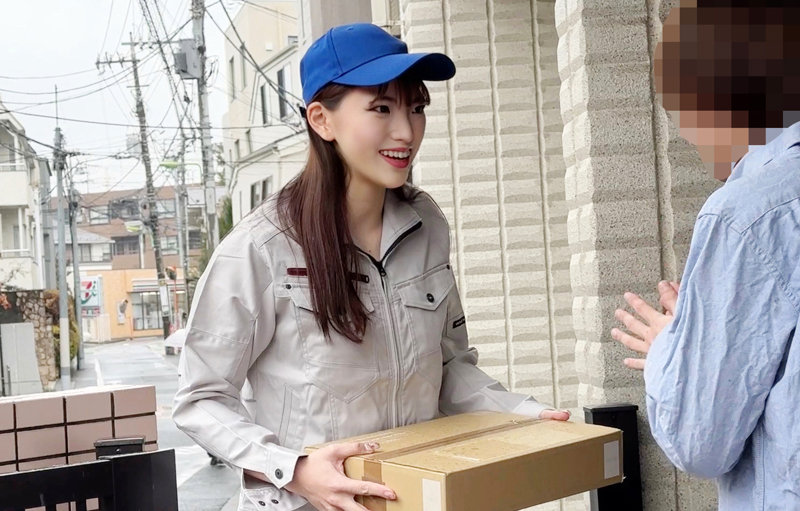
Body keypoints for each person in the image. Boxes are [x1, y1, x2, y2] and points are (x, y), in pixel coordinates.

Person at [173, 23, 568, 511]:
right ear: (322, 119)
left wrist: (523, 415)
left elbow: (447, 368)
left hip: (409, 499)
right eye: (382, 109)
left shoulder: (425, 225)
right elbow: (201, 398)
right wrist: (293, 468)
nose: (406, 131)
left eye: (416, 108)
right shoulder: (263, 246)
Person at [612, 1, 800, 509]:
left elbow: (699, 443)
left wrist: (669, 348)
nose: (685, 132)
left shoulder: (747, 214)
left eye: (682, 110)